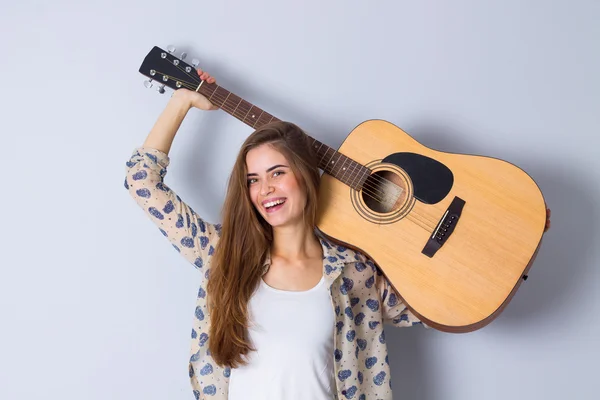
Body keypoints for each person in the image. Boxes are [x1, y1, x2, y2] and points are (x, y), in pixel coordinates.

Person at [124, 69, 551, 400]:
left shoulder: (355, 274)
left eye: (277, 173)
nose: (265, 188)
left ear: (308, 178)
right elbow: (142, 183)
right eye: (253, 179)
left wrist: (513, 235)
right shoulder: (222, 255)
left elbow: (452, 299)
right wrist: (181, 102)